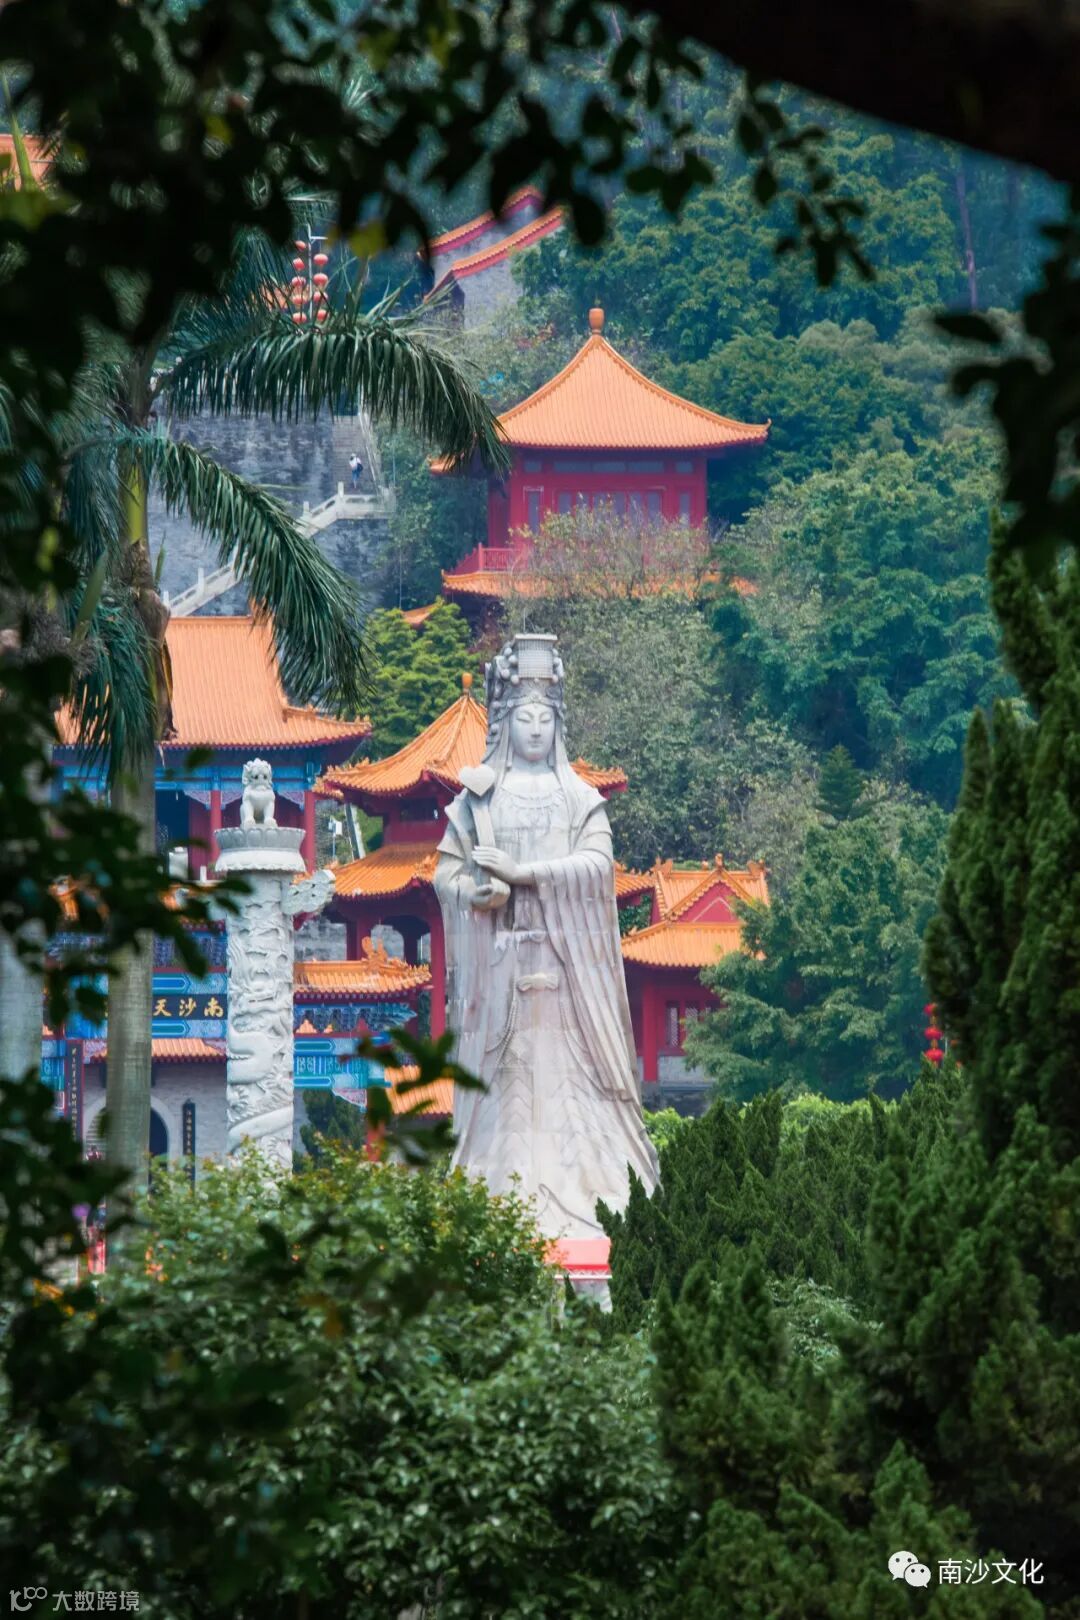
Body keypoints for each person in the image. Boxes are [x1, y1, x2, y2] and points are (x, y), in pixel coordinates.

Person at [435, 633, 659, 1239]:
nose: (534, 730)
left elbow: (598, 869)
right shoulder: (478, 801)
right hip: (502, 972)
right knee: (505, 1097)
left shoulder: (579, 799)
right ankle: (496, 1200)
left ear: (558, 725)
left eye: (545, 719)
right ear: (504, 724)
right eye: (523, 718)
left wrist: (524, 873)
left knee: (575, 1097)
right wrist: (475, 895)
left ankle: (594, 1198)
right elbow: (445, 875)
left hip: (566, 978)